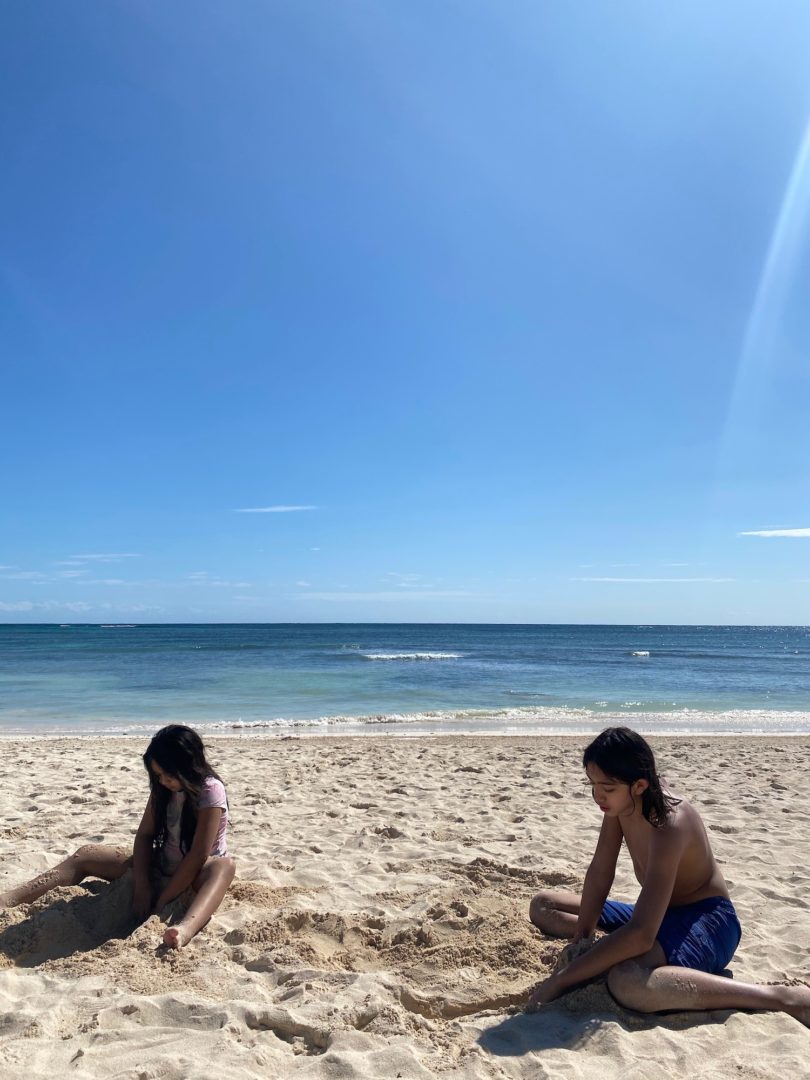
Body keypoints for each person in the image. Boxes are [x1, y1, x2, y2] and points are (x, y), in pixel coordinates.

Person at [528, 726, 810, 1025]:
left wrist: (560, 979)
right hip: (658, 915)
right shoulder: (620, 806)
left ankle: (778, 997)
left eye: (607, 788)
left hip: (709, 923)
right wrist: (581, 941)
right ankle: (614, 953)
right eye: (592, 785)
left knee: (627, 982)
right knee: (544, 905)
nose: (598, 796)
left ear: (638, 785)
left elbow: (641, 934)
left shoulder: (669, 822)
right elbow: (601, 871)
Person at [0, 724, 236, 950]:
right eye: (158, 776)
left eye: (168, 775)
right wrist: (142, 885)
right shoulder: (163, 789)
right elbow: (144, 836)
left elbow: (197, 855)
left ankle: (184, 930)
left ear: (187, 765)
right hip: (162, 864)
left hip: (196, 875)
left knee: (225, 867)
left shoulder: (210, 790)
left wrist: (162, 900)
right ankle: (10, 899)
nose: (163, 781)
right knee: (86, 854)